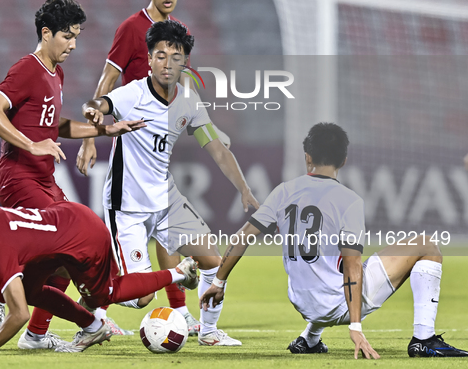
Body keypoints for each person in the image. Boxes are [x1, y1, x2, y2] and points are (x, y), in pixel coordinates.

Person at [200, 122, 468, 359]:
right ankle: (424, 339)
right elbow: (352, 265)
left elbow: (241, 238)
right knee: (426, 245)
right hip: (337, 305)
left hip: (301, 301)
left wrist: (218, 281)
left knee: (326, 263)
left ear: (307, 157)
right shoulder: (348, 200)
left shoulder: (283, 191)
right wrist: (355, 327)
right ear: (344, 161)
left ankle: (310, 338)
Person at [76, 0, 229, 336]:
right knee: (141, 273)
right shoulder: (132, 28)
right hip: (129, 143)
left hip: (159, 150)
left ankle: (189, 315)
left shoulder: (178, 33)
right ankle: (94, 291)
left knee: (177, 234)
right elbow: (108, 82)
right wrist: (91, 135)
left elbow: (182, 84)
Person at [0, 0, 145, 349]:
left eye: (77, 37)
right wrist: (31, 145)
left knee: (65, 255)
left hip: (44, 179)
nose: (72, 44)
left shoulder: (57, 73)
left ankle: (37, 334)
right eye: (67, 36)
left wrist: (104, 130)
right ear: (46, 32)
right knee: (63, 247)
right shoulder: (28, 68)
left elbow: (57, 126)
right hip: (19, 176)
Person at [82, 20, 259, 346]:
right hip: (127, 205)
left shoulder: (188, 101)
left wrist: (245, 190)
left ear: (184, 63)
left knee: (212, 262)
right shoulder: (132, 93)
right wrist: (93, 110)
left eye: (175, 57)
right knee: (140, 298)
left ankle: (208, 332)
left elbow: (218, 150)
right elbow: (101, 104)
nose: (167, 63)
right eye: (160, 56)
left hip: (165, 201)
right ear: (149, 59)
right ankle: (94, 289)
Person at [0, 193, 198, 355]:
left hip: (83, 236)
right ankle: (92, 327)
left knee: (107, 293)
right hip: (63, 225)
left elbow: (19, 315)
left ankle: (178, 272)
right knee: (29, 292)